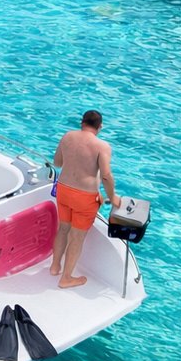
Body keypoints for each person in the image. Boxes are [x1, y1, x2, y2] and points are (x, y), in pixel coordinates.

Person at [50, 110, 121, 290]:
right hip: (84, 197)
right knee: (77, 237)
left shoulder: (67, 136)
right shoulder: (102, 146)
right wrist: (112, 197)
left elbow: (57, 162)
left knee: (63, 228)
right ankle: (66, 278)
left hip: (64, 191)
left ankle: (55, 266)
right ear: (100, 126)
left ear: (82, 122)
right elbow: (105, 175)